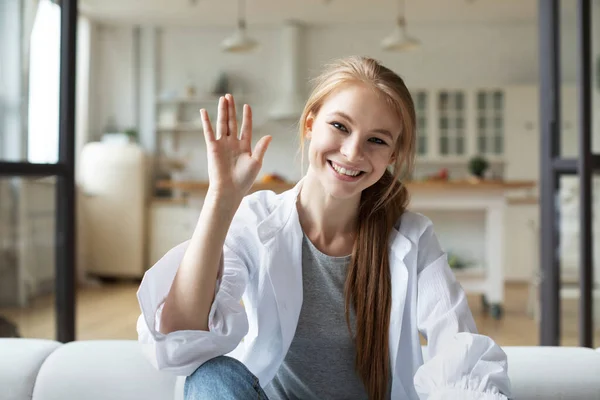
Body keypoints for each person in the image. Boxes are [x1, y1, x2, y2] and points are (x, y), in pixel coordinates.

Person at [136, 56, 511, 400]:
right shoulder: (258, 219)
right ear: (311, 124)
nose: (352, 152)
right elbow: (179, 338)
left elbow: (457, 345)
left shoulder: (412, 236)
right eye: (340, 126)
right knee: (211, 376)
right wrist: (221, 199)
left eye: (376, 140)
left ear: (392, 155)